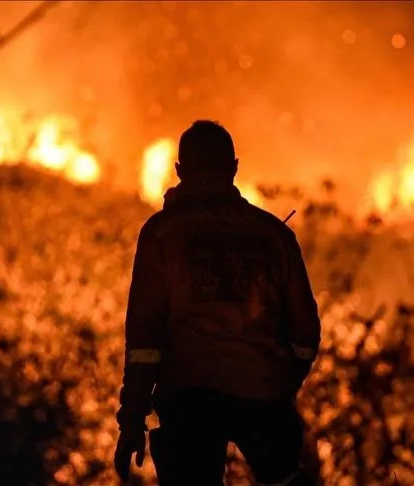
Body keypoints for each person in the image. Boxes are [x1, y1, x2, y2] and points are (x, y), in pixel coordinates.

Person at [114, 120, 321, 485]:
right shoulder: (275, 235)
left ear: (179, 171)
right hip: (264, 395)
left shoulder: (162, 233)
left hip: (189, 398)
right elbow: (305, 332)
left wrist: (132, 419)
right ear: (234, 168)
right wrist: (283, 382)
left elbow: (145, 340)